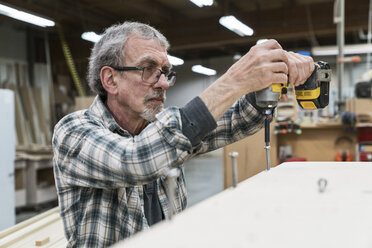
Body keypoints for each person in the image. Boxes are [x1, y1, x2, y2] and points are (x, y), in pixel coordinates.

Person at [52, 21, 314, 247]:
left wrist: (270, 84)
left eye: (165, 72)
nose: (164, 82)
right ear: (110, 80)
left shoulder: (158, 129)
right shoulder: (74, 132)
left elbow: (236, 122)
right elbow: (136, 160)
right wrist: (235, 80)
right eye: (148, 69)